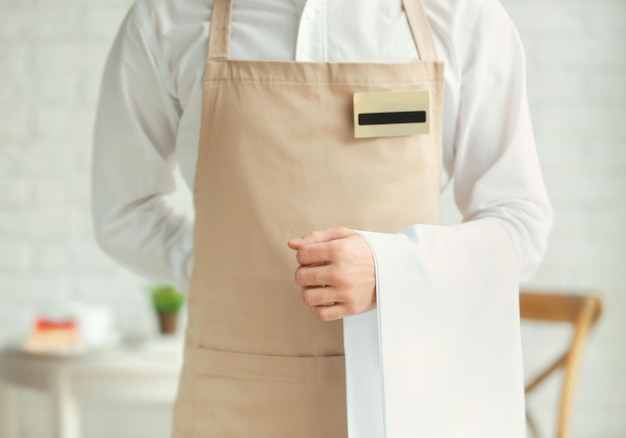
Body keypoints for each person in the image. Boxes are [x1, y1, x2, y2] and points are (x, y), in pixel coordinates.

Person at [92, 0, 553, 436]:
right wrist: (222, 268)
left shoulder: (459, 15)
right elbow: (124, 212)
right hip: (231, 404)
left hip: (402, 405)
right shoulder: (166, 19)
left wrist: (394, 270)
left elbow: (520, 223)